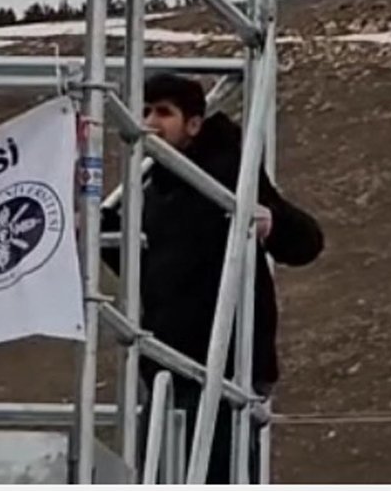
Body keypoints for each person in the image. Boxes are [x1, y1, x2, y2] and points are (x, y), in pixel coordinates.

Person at [104, 72, 324, 483]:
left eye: (163, 112)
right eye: (145, 112)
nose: (151, 122)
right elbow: (151, 268)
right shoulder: (152, 187)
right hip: (168, 365)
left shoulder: (229, 173)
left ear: (193, 124)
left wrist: (271, 223)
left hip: (226, 367)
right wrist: (101, 232)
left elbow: (305, 241)